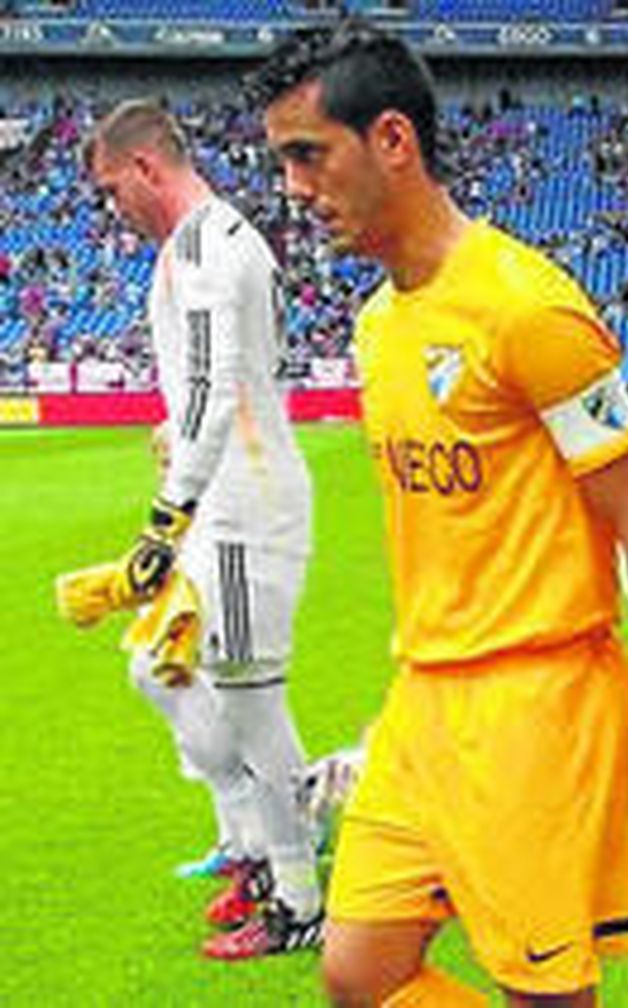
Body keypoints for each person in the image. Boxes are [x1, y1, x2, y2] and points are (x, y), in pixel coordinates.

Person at [248, 21, 628, 1007]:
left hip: (537, 704)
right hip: (425, 698)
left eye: (308, 155)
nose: (293, 190)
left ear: (392, 139)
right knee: (359, 973)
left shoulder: (530, 310)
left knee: (545, 993)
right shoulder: (379, 323)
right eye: (281, 164)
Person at [81, 99, 323, 960]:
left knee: (252, 700)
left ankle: (298, 894)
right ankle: (264, 849)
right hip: (225, 498)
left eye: (114, 190)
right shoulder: (199, 246)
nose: (115, 210)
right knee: (171, 668)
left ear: (147, 166)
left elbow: (215, 390)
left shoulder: (208, 250)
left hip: (242, 505)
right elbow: (210, 388)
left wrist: (165, 513)